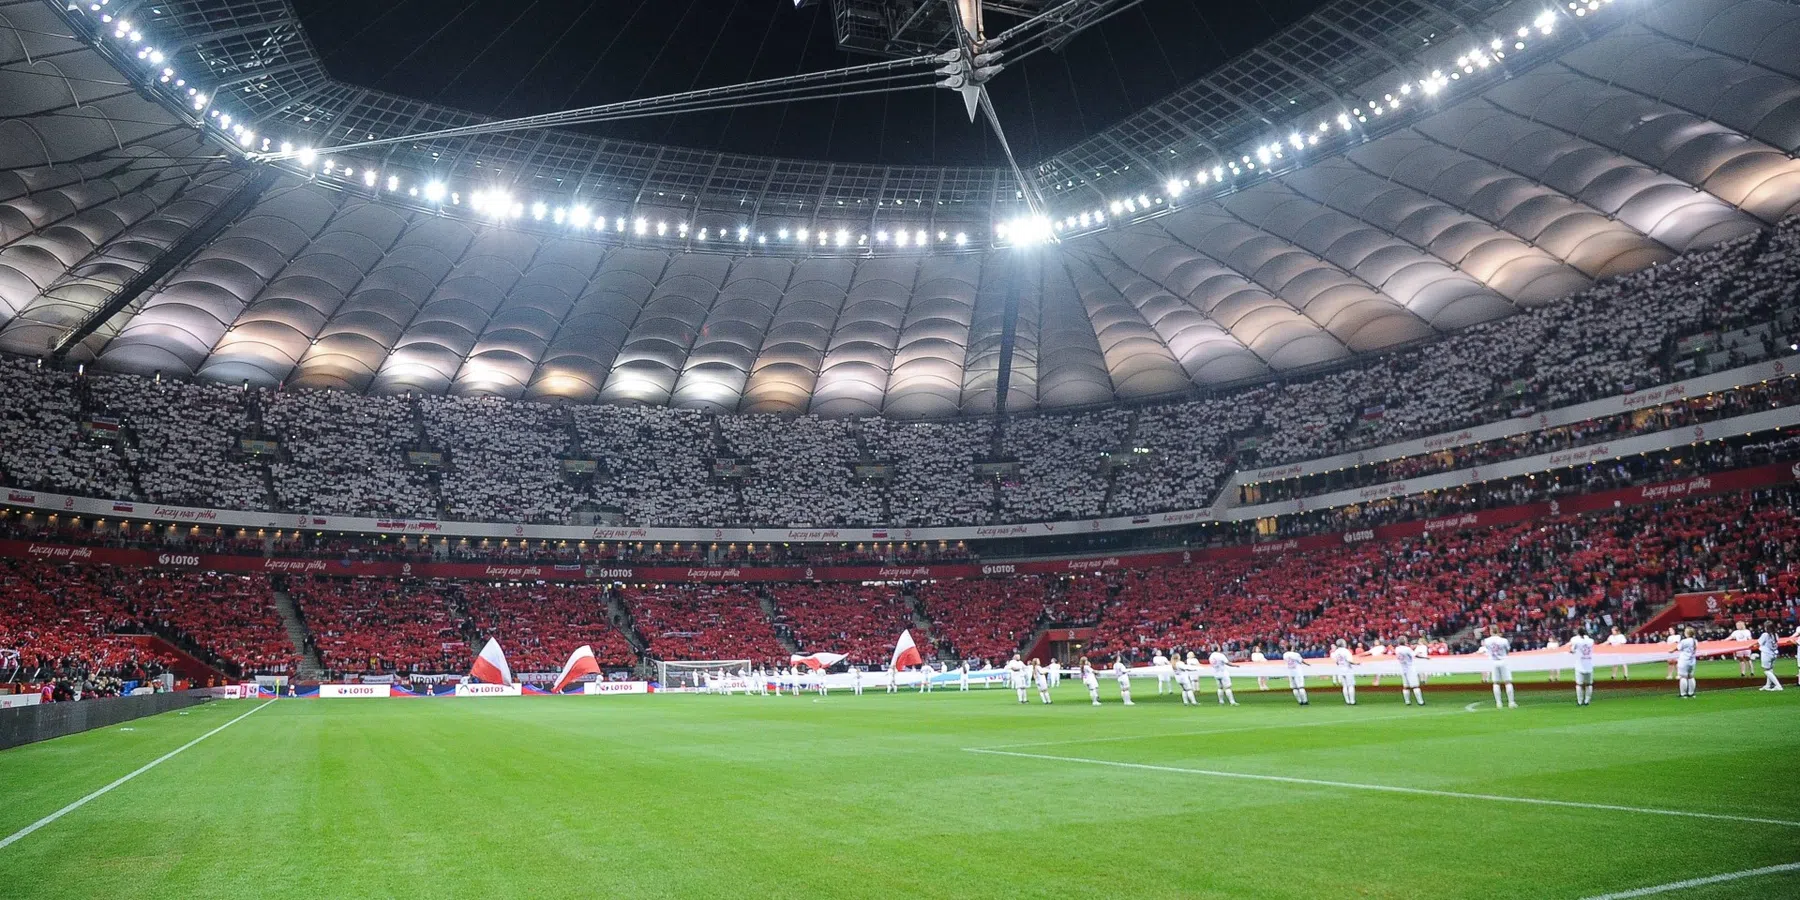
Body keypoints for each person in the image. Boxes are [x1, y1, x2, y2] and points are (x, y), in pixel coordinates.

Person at [1483, 627, 1517, 709]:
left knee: (1496, 683)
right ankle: (1511, 702)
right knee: (1508, 682)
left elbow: (1487, 650)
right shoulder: (1504, 640)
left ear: (1491, 631)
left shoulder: (1486, 641)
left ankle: (1498, 703)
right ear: (1498, 631)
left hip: (1493, 661)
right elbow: (1508, 650)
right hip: (1503, 660)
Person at [1394, 635, 1424, 706]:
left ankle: (1407, 701)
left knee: (1406, 686)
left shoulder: (1397, 649)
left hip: (1402, 668)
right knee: (1415, 686)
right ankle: (1420, 701)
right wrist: (1422, 656)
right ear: (1405, 641)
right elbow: (1414, 655)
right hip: (1410, 668)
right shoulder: (1407, 649)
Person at [1568, 630, 1596, 706]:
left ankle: (1580, 701)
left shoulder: (1576, 641)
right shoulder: (1591, 641)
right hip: (1589, 665)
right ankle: (1587, 701)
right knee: (1589, 684)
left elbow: (1571, 650)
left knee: (1579, 685)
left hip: (1579, 665)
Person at [1757, 622, 1783, 691]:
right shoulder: (1775, 634)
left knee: (1766, 671)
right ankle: (1768, 685)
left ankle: (1778, 686)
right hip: (1774, 653)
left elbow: (1759, 643)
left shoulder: (1765, 634)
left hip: (1766, 653)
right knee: (1770, 669)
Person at [1676, 626, 1699, 698]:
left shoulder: (1684, 641)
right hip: (1692, 660)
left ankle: (1683, 694)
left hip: (1684, 660)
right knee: (1691, 676)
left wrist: (1671, 650)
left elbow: (1678, 648)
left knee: (1683, 677)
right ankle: (1691, 693)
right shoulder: (1695, 641)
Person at [1331, 639, 1357, 705]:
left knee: (1344, 686)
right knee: (1350, 685)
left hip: (1340, 669)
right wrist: (1356, 664)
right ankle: (1352, 701)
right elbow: (1349, 660)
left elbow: (1336, 661)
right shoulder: (1346, 651)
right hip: (1347, 669)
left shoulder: (1336, 652)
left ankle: (1347, 701)